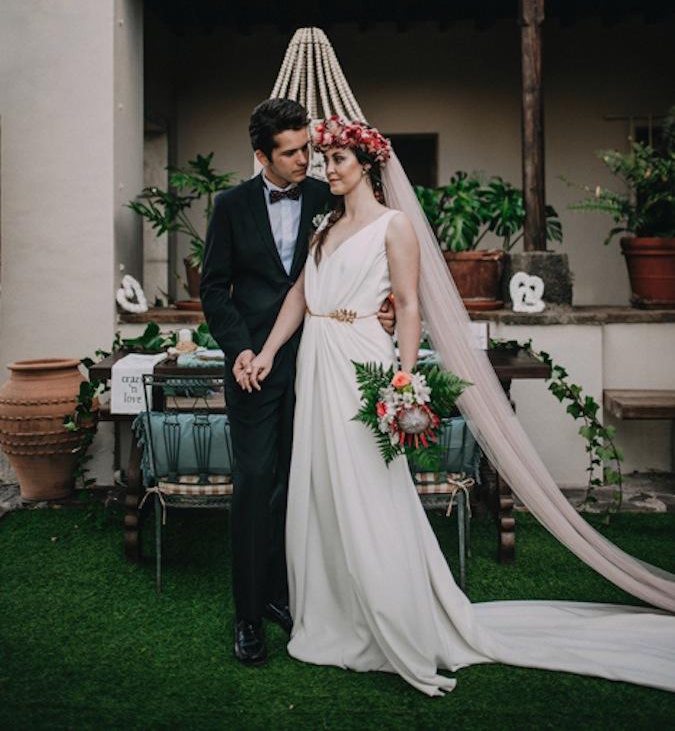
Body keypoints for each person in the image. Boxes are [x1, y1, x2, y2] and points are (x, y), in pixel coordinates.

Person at [241, 115, 675, 697]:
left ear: (367, 165)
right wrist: (269, 351)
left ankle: (393, 616)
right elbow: (300, 294)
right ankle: (333, 611)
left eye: (338, 161)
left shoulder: (395, 227)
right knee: (319, 485)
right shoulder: (324, 224)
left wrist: (402, 376)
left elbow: (409, 305)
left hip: (360, 363)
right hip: (317, 360)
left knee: (368, 483)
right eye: (325, 162)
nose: (327, 171)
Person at [200, 99, 395, 666]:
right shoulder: (230, 206)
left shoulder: (324, 197)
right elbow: (214, 289)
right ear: (262, 155)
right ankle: (247, 614)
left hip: (321, 362)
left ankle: (288, 593)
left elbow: (360, 253)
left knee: (303, 480)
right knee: (256, 479)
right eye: (291, 153)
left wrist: (379, 306)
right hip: (254, 366)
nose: (306, 160)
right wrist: (240, 350)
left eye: (308, 148)